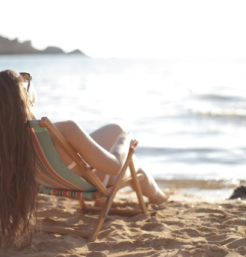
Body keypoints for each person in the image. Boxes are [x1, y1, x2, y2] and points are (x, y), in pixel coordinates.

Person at [0, 69, 168, 250]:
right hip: (93, 182)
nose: (29, 82)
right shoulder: (65, 130)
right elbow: (114, 167)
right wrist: (126, 139)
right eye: (26, 80)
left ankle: (128, 199)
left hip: (60, 180)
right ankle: (158, 197)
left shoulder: (10, 141)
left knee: (113, 128)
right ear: (24, 95)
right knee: (133, 163)